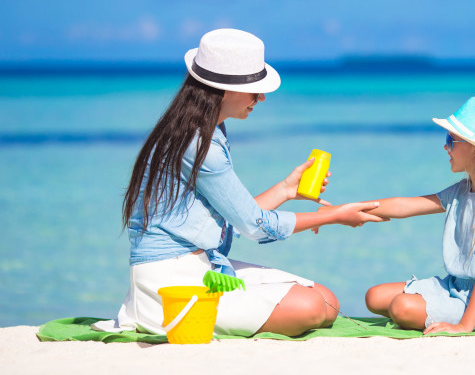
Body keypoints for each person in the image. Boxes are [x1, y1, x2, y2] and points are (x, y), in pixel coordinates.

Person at [101, 28, 383, 338]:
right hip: (169, 284)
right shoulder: (200, 144)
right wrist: (334, 216)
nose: (261, 98)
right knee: (314, 308)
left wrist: (287, 189)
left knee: (327, 301)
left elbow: (233, 219)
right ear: (222, 89)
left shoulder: (204, 130)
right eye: (254, 90)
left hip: (202, 265)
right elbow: (253, 225)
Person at [359, 97, 475, 334]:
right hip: (454, 286)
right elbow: (405, 206)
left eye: (451, 140)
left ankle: (455, 315)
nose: (445, 147)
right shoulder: (461, 191)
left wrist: (464, 326)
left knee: (400, 307)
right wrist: (349, 209)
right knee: (374, 297)